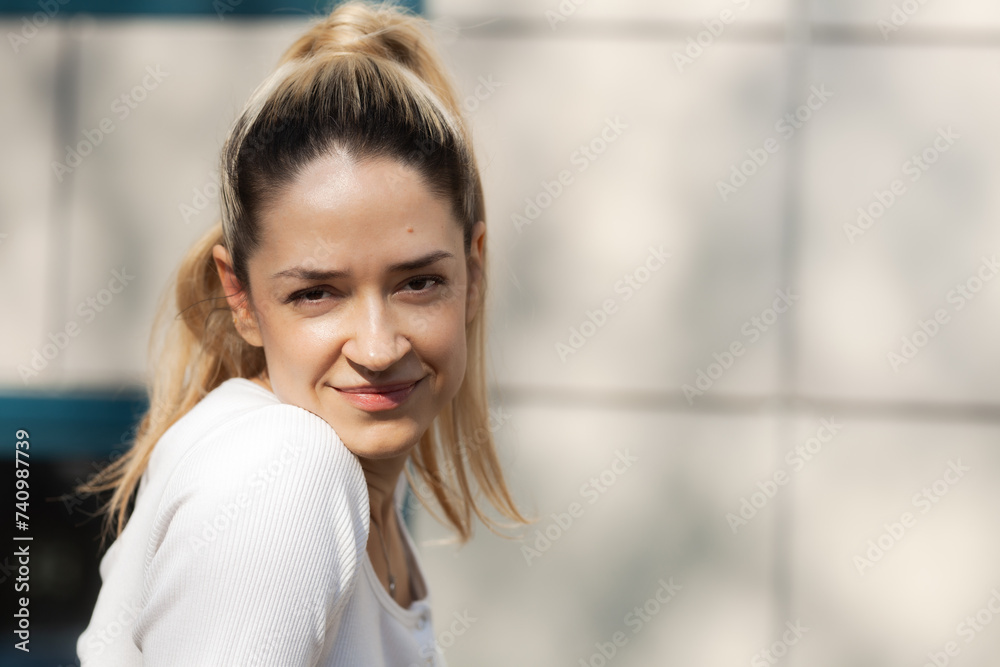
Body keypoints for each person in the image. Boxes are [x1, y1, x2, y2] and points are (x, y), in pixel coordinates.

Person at [74, 2, 528, 664]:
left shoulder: (354, 482)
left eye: (418, 283)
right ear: (243, 297)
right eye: (316, 293)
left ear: (474, 270)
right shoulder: (286, 473)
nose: (377, 347)